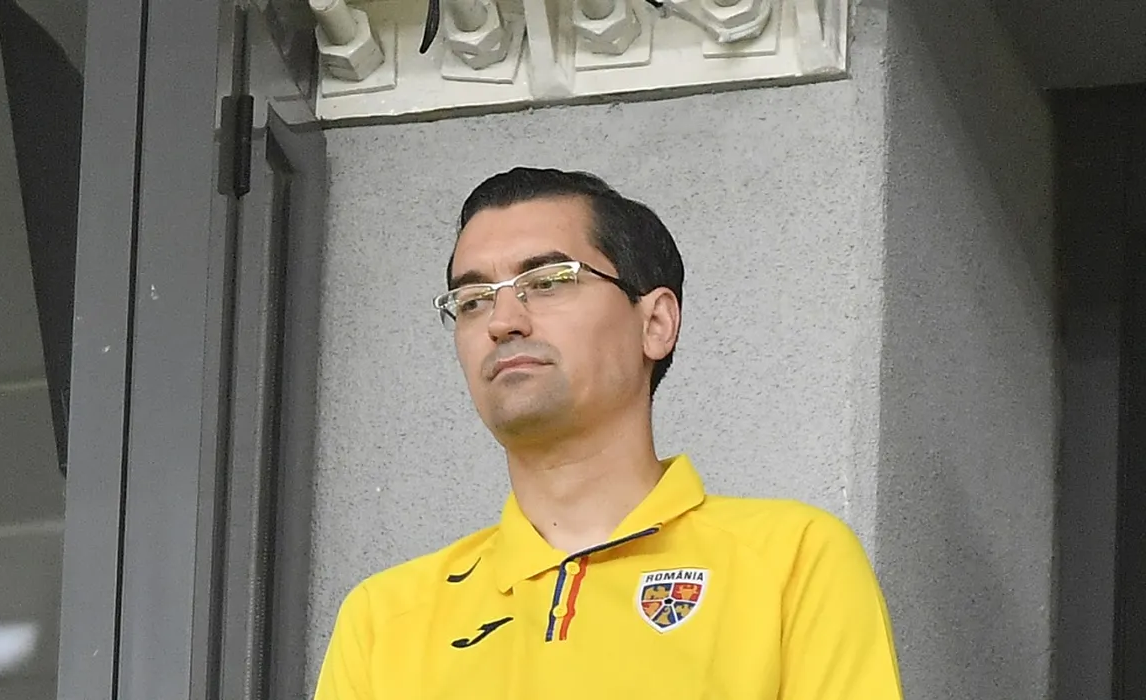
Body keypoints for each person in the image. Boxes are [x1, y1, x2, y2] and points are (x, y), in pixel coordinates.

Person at [313, 167, 904, 699]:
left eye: (548, 281)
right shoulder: (385, 619)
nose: (502, 321)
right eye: (472, 300)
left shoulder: (790, 562)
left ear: (656, 323)